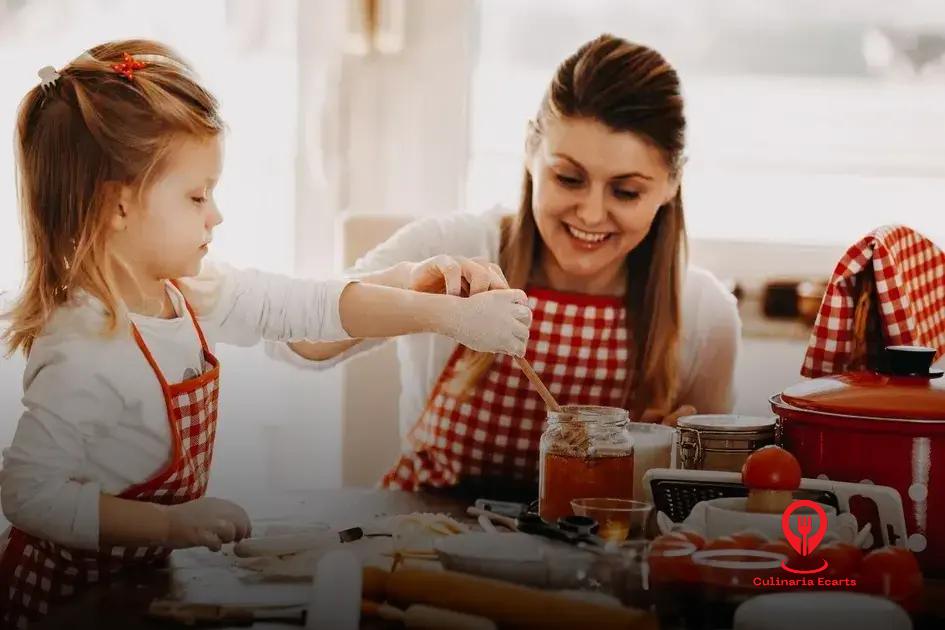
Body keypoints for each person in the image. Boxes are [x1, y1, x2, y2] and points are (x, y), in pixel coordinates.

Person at [0, 39, 530, 627]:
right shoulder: (82, 347)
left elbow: (308, 308)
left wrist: (419, 297)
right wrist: (171, 525)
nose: (216, 214)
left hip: (142, 581)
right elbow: (28, 495)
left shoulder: (191, 294)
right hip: (67, 604)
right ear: (117, 206)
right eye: (197, 195)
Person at [284, 34, 741, 499]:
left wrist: (678, 461)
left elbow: (701, 511)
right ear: (530, 150)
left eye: (626, 192)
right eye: (568, 178)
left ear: (671, 183)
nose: (589, 213)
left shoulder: (704, 313)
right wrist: (408, 291)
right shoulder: (454, 245)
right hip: (425, 548)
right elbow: (297, 337)